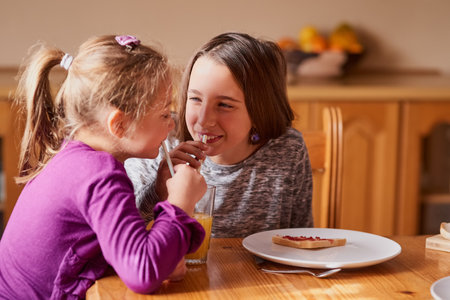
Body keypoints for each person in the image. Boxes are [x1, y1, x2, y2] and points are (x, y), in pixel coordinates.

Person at [0, 35, 207, 299]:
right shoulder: (100, 174)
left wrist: (159, 191)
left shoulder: (74, 157)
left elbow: (120, 248)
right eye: (164, 114)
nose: (172, 124)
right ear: (118, 124)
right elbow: (143, 273)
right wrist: (181, 201)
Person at [125, 32, 313, 238]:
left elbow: (299, 239)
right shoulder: (160, 138)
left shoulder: (287, 149)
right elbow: (122, 234)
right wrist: (158, 191)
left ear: (260, 110)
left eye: (224, 105)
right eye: (195, 99)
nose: (204, 120)